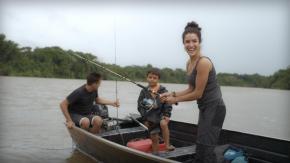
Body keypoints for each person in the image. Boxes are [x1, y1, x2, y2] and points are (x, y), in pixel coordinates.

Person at [160, 21, 226, 163]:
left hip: (215, 109)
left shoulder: (203, 63)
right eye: (187, 42)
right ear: (183, 44)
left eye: (194, 41)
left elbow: (198, 94)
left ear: (200, 42)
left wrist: (174, 100)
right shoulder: (189, 63)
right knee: (201, 143)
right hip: (204, 108)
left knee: (206, 146)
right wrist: (172, 94)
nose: (191, 45)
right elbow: (191, 88)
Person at [137, 68, 175, 153]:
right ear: (147, 78)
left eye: (154, 78)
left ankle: (167, 145)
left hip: (161, 115)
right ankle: (155, 155)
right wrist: (144, 118)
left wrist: (167, 114)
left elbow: (168, 104)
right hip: (150, 117)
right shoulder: (144, 91)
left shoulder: (163, 90)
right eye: (150, 77)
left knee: (163, 123)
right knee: (154, 138)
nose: (152, 79)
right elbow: (140, 106)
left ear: (158, 79)